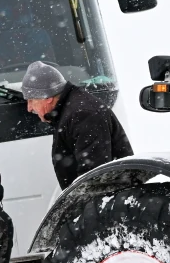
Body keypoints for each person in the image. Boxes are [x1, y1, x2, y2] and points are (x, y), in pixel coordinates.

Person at [21, 60, 133, 188]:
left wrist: (82, 205)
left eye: (31, 100)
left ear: (48, 98)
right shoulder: (69, 110)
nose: (29, 108)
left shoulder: (83, 115)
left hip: (109, 200)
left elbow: (93, 178)